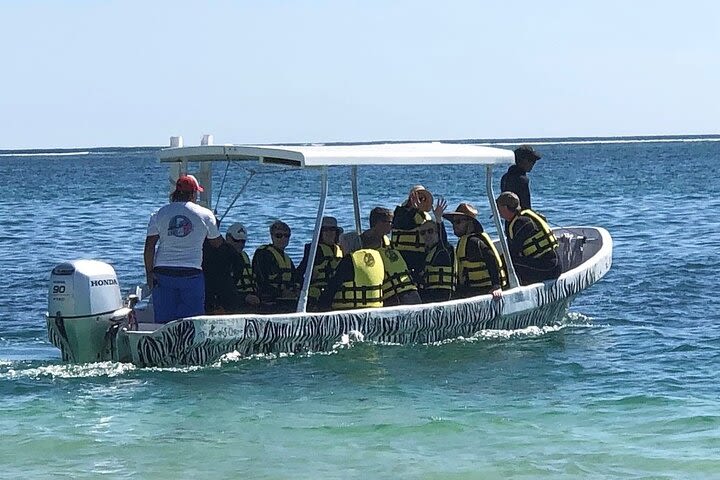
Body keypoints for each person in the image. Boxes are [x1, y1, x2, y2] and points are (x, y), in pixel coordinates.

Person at [144, 174, 222, 323]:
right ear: (193, 194)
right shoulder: (206, 215)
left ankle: (165, 346)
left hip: (163, 273)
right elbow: (216, 243)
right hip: (191, 274)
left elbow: (149, 246)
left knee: (164, 324)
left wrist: (149, 273)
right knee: (193, 323)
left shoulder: (159, 214)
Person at [496, 191, 561, 285]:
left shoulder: (522, 223)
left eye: (499, 209)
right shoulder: (521, 218)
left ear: (505, 208)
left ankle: (505, 287)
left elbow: (512, 252)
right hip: (548, 263)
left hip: (549, 268)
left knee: (509, 263)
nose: (498, 212)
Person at [443, 203, 505, 299]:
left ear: (470, 223)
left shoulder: (474, 242)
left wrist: (496, 286)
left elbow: (492, 259)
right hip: (472, 289)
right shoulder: (464, 242)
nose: (454, 225)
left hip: (484, 290)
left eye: (458, 222)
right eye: (453, 222)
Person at [361, 207, 421, 306]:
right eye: (389, 222)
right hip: (392, 295)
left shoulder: (387, 241)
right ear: (379, 223)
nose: (391, 225)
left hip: (407, 289)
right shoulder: (366, 241)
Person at [296, 216, 344, 310]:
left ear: (336, 233)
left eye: (332, 229)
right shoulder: (314, 250)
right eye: (325, 230)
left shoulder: (342, 249)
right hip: (317, 296)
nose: (329, 233)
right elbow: (299, 274)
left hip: (337, 296)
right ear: (320, 233)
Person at [251, 220, 299, 313]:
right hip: (267, 301)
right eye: (279, 236)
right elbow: (261, 281)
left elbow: (295, 278)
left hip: (285, 300)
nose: (283, 239)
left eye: (286, 236)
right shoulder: (263, 254)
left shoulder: (287, 258)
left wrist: (295, 289)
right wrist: (280, 292)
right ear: (272, 236)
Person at [317, 248, 385, 311]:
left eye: (342, 246)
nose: (340, 248)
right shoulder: (377, 256)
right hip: (376, 308)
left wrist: (320, 305)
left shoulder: (348, 261)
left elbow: (333, 286)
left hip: (351, 310)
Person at [391, 185, 433, 283]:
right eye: (417, 197)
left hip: (420, 260)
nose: (419, 200)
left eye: (422, 198)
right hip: (402, 257)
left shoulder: (426, 217)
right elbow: (402, 224)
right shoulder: (400, 212)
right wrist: (413, 209)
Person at [418, 197, 455, 303]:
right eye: (423, 233)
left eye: (430, 231)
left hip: (443, 295)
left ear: (437, 232)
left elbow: (443, 238)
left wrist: (438, 218)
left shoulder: (443, 250)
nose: (427, 235)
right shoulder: (427, 253)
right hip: (429, 293)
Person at [225, 222, 261, 312]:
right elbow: (222, 288)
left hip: (252, 300)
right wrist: (244, 297)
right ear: (228, 238)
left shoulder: (244, 256)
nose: (240, 244)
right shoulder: (222, 258)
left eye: (243, 241)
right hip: (233, 302)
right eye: (236, 240)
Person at [500, 145, 542, 211]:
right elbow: (526, 207)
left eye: (534, 161)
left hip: (509, 218)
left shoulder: (505, 177)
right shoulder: (522, 180)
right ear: (521, 160)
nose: (533, 163)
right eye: (531, 160)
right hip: (520, 218)